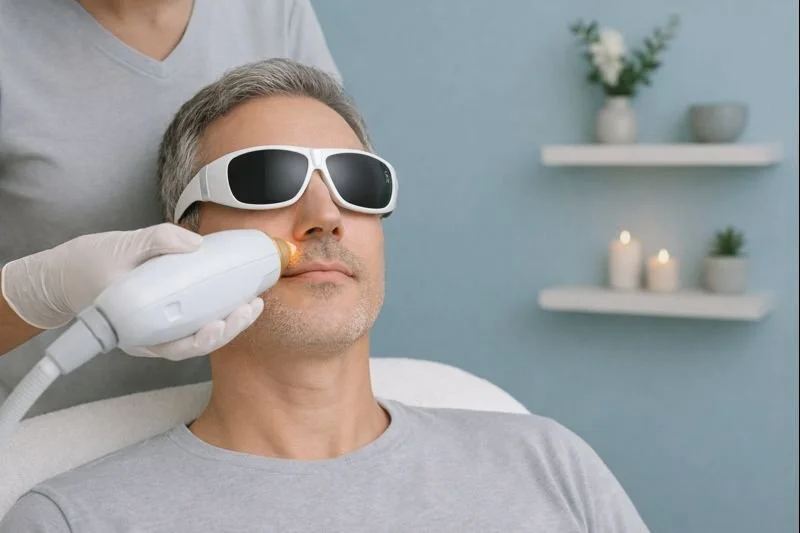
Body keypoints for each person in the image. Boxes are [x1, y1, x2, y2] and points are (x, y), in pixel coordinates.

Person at [0, 58, 650, 532]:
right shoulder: (75, 519)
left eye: (357, 182)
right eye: (266, 178)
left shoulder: (546, 462)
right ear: (183, 240)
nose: (325, 213)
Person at [0, 0, 341, 415]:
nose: (327, 218)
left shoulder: (272, 9)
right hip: (50, 427)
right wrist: (42, 291)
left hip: (233, 421)